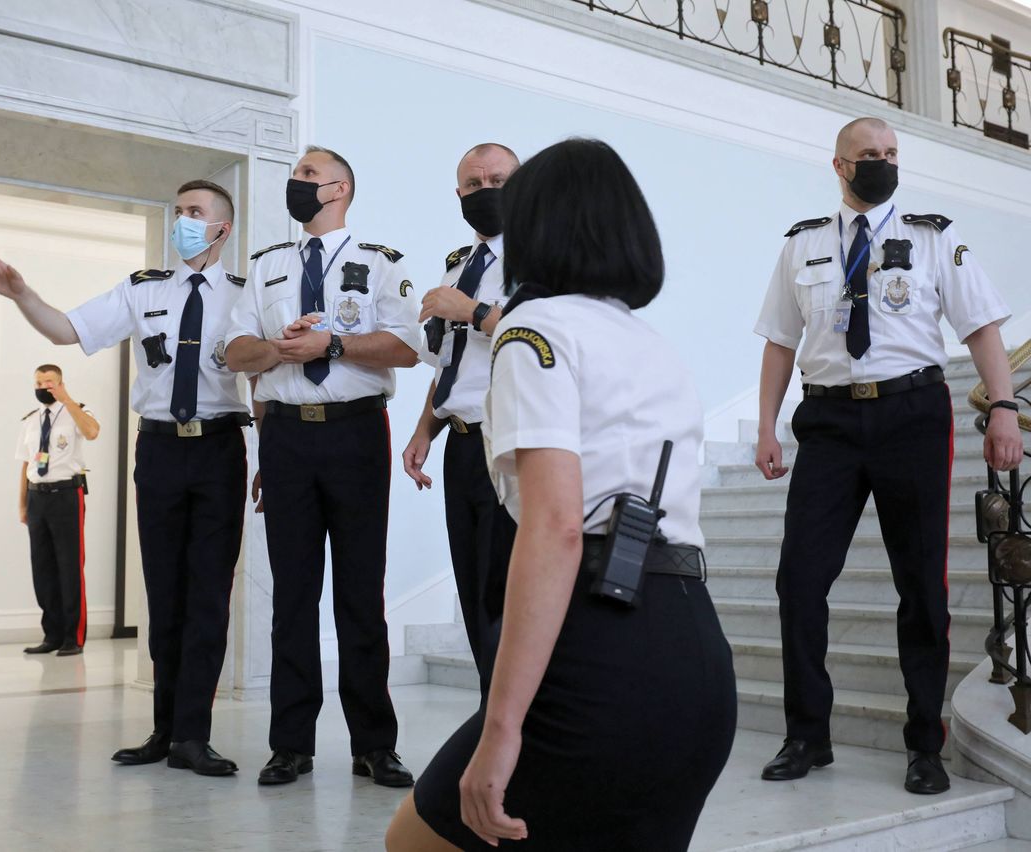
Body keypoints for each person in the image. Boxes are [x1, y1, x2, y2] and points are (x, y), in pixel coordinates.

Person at [386, 138, 737, 851]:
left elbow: (555, 528)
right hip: (692, 647)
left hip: (599, 645)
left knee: (414, 841)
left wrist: (501, 726)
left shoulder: (533, 330)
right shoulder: (648, 341)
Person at [754, 117, 1023, 794]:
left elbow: (981, 327)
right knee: (799, 581)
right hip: (829, 421)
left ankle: (923, 745)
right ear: (840, 166)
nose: (882, 163)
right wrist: (766, 427)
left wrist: (1003, 406)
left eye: (891, 154)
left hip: (913, 415)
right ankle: (807, 735)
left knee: (922, 590)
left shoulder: (934, 237)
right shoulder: (803, 245)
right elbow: (780, 343)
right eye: (868, 155)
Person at [0, 179, 251, 777]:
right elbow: (64, 330)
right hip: (157, 450)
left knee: (207, 594)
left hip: (218, 450)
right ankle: (163, 731)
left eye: (195, 213)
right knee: (164, 592)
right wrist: (22, 294)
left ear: (222, 229)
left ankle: (193, 735)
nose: (182, 220)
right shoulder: (141, 289)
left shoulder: (245, 293)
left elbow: (266, 376)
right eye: (178, 210)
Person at [224, 145, 421, 787]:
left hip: (356, 435)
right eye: (296, 174)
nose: (297, 182)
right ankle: (291, 745)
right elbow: (235, 350)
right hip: (285, 442)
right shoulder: (267, 267)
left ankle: (374, 744)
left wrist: (331, 343)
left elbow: (406, 348)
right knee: (293, 596)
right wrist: (282, 350)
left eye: (309, 175)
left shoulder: (380, 263)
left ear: (340, 189)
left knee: (361, 594)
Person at [403, 143, 520, 692]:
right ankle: (490, 708)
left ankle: (520, 722)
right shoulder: (460, 264)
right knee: (473, 589)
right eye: (473, 184)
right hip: (462, 445)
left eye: (497, 179)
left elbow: (544, 335)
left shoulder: (544, 257)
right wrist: (423, 429)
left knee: (506, 592)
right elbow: (448, 363)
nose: (485, 190)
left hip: (512, 443)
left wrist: (470, 310)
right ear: (459, 196)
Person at [16, 364, 100, 657]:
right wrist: (23, 504)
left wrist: (67, 400)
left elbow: (92, 432)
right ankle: (51, 634)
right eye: (38, 382)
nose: (43, 387)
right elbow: (26, 465)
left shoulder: (76, 411)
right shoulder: (31, 420)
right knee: (43, 568)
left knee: (69, 567)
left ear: (61, 383)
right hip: (38, 498)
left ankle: (72, 637)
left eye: (49, 382)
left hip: (66, 495)